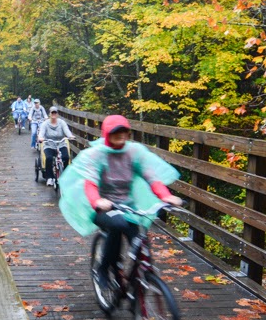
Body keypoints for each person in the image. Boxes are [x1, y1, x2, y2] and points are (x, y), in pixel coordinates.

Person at [58, 115, 183, 289]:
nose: (121, 135)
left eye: (124, 131)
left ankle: (137, 287)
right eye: (116, 131)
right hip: (103, 207)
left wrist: (166, 196)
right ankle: (103, 268)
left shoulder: (134, 152)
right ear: (107, 133)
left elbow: (151, 177)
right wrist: (98, 201)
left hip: (127, 206)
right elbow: (90, 183)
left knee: (139, 243)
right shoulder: (97, 155)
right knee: (117, 224)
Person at [37, 106, 75, 186]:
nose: (54, 114)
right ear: (49, 114)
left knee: (66, 157)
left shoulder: (62, 122)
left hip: (61, 144)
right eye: (52, 113)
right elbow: (42, 132)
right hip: (49, 144)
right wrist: (40, 138)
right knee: (49, 158)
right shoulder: (45, 124)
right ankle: (49, 178)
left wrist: (70, 136)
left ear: (57, 114)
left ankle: (65, 175)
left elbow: (66, 130)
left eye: (55, 113)